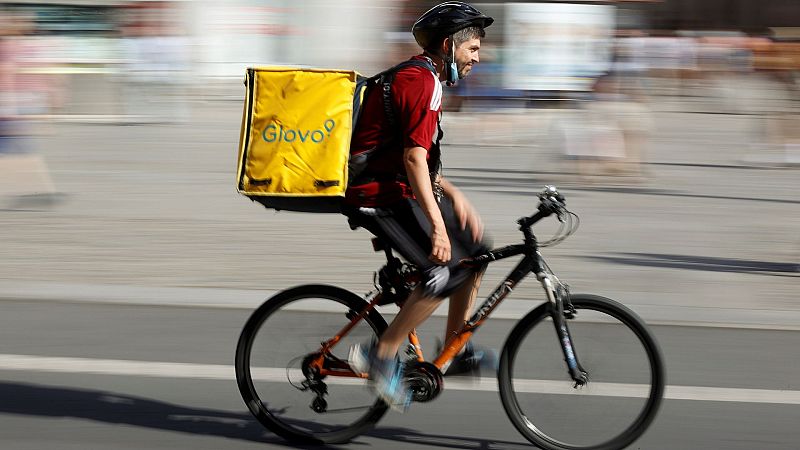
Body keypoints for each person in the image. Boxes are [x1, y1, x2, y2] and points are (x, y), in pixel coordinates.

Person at [342, 2, 494, 410]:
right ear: (449, 46)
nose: (479, 58)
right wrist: (439, 228)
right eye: (473, 49)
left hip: (399, 187)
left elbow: (416, 156)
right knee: (441, 273)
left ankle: (454, 347)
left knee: (477, 254)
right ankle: (382, 355)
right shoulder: (423, 83)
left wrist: (454, 194)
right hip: (377, 195)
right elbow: (412, 160)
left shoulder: (423, 77)